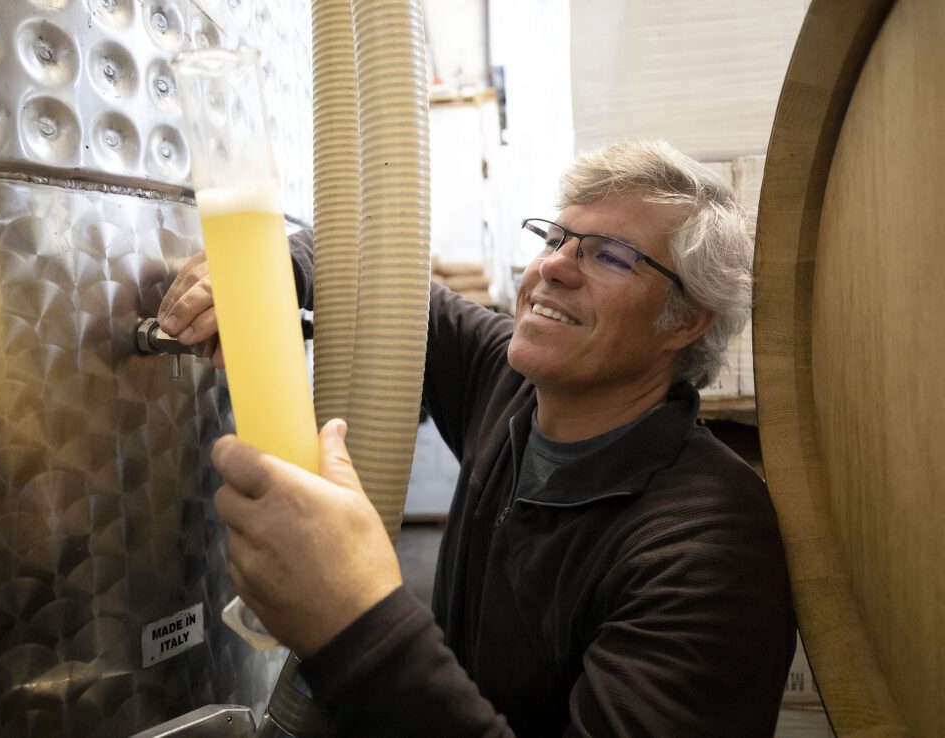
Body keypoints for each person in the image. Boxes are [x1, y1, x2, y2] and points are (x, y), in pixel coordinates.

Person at [157, 140, 796, 736]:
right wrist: (272, 271)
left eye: (608, 255)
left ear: (684, 320)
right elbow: (384, 283)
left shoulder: (709, 551)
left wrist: (355, 623)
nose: (553, 267)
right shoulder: (511, 385)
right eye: (556, 237)